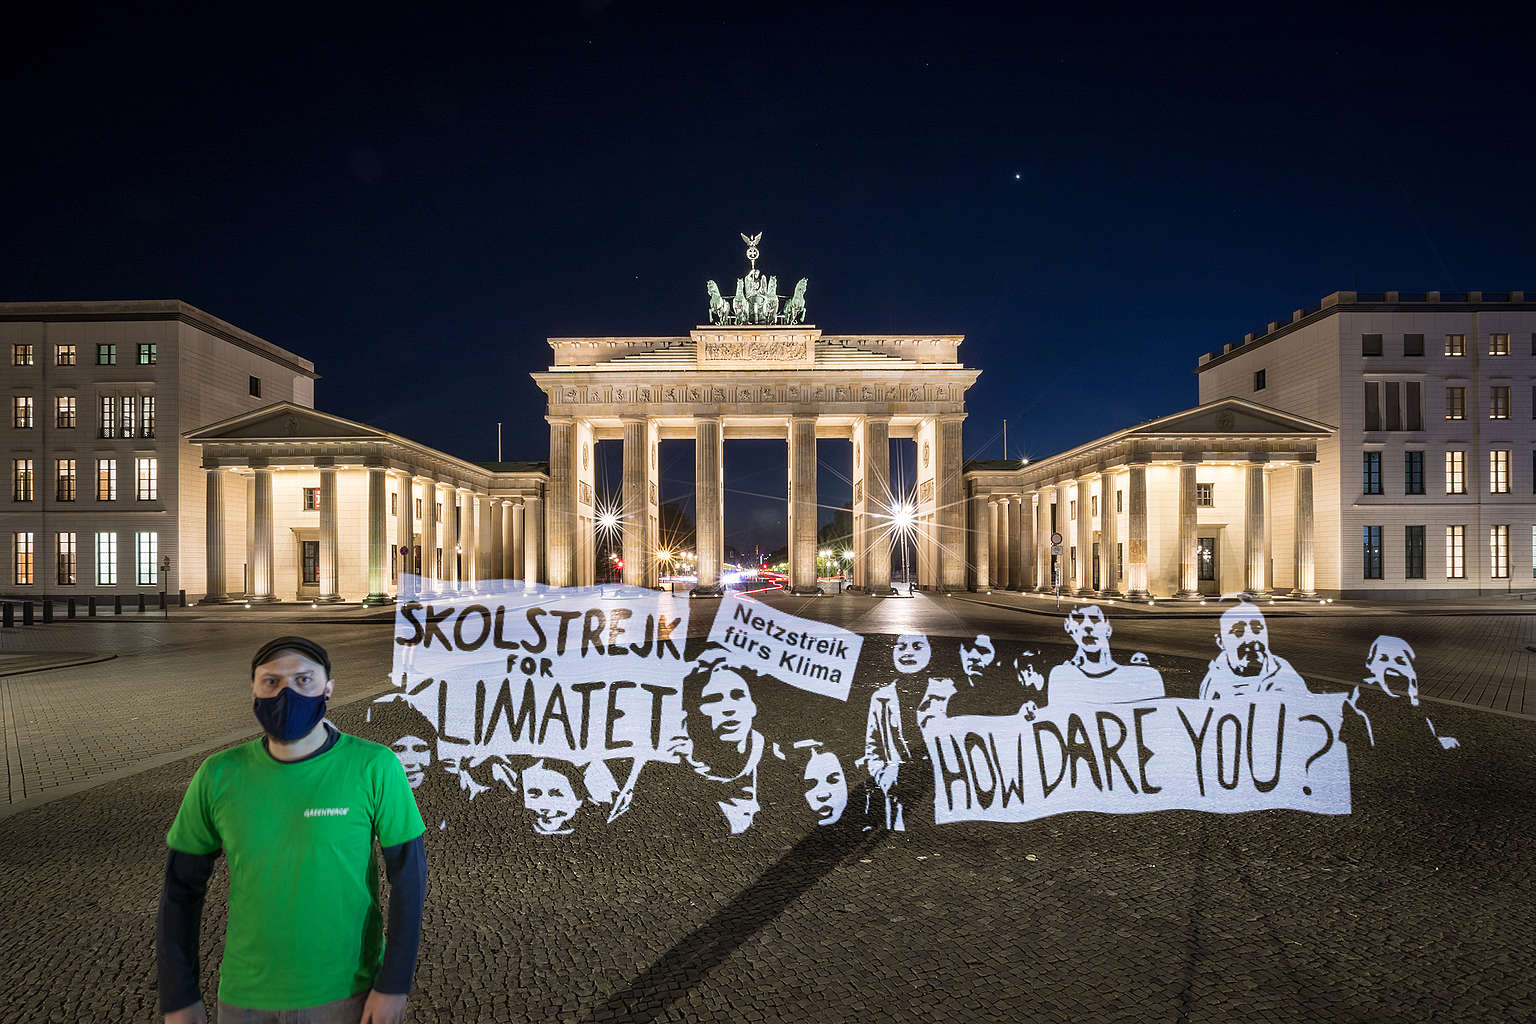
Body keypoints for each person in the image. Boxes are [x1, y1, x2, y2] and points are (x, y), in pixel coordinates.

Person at [158, 636, 426, 1024]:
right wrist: (178, 995)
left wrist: (394, 984)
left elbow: (410, 880)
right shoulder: (217, 775)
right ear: (253, 689)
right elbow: (180, 890)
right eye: (272, 682)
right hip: (244, 995)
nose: (287, 693)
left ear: (328, 688)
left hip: (347, 991)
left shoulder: (375, 766)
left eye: (303, 680)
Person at [671, 655, 783, 834]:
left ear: (753, 706)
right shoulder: (674, 768)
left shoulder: (780, 761)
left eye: (738, 696)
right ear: (690, 713)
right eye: (714, 699)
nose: (729, 708)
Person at [863, 633, 940, 831]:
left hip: (936, 787)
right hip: (898, 789)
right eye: (901, 646)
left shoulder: (945, 693)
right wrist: (883, 776)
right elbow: (873, 747)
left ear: (931, 652)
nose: (908, 652)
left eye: (917, 646)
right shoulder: (880, 698)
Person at [1341, 635, 1461, 754]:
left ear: (1412, 670)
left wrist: (1438, 739)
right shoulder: (1365, 695)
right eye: (1383, 659)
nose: (1391, 665)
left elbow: (1429, 725)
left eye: (1400, 661)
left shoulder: (1411, 698)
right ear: (1370, 664)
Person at [1047, 605, 1165, 704]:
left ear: (1108, 628)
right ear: (1068, 627)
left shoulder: (1147, 676)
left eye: (1095, 620)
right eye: (1079, 619)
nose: (1087, 626)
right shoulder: (1062, 675)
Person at [1197, 601, 1308, 700]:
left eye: (1257, 629)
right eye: (1238, 631)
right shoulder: (1213, 679)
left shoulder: (1287, 679)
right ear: (1220, 642)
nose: (1251, 639)